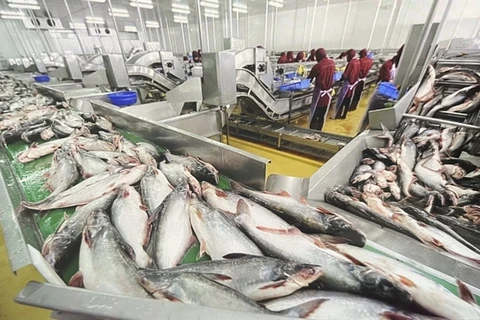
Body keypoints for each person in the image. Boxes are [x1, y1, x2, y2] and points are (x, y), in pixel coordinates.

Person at [307, 48, 335, 131]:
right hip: (328, 93)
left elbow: (309, 79)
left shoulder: (318, 66)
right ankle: (319, 131)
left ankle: (312, 131)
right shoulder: (332, 63)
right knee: (323, 113)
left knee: (315, 113)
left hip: (319, 94)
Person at [334, 49, 360, 119]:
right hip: (353, 84)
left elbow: (345, 75)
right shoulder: (357, 62)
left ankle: (338, 115)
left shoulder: (351, 63)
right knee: (348, 100)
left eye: (348, 55)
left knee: (342, 100)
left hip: (347, 85)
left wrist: (340, 80)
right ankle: (344, 115)